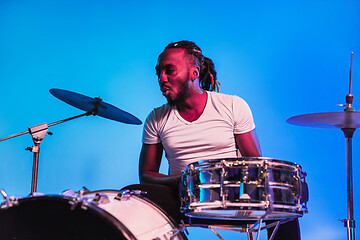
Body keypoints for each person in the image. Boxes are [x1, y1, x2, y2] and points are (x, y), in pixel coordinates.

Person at [124, 40, 300, 240]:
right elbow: (146, 175)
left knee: (285, 199)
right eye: (159, 72)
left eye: (169, 70)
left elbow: (255, 165)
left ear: (194, 73)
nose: (161, 78)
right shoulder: (156, 118)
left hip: (234, 198)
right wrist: (183, 179)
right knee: (132, 194)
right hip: (184, 199)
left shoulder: (232, 105)